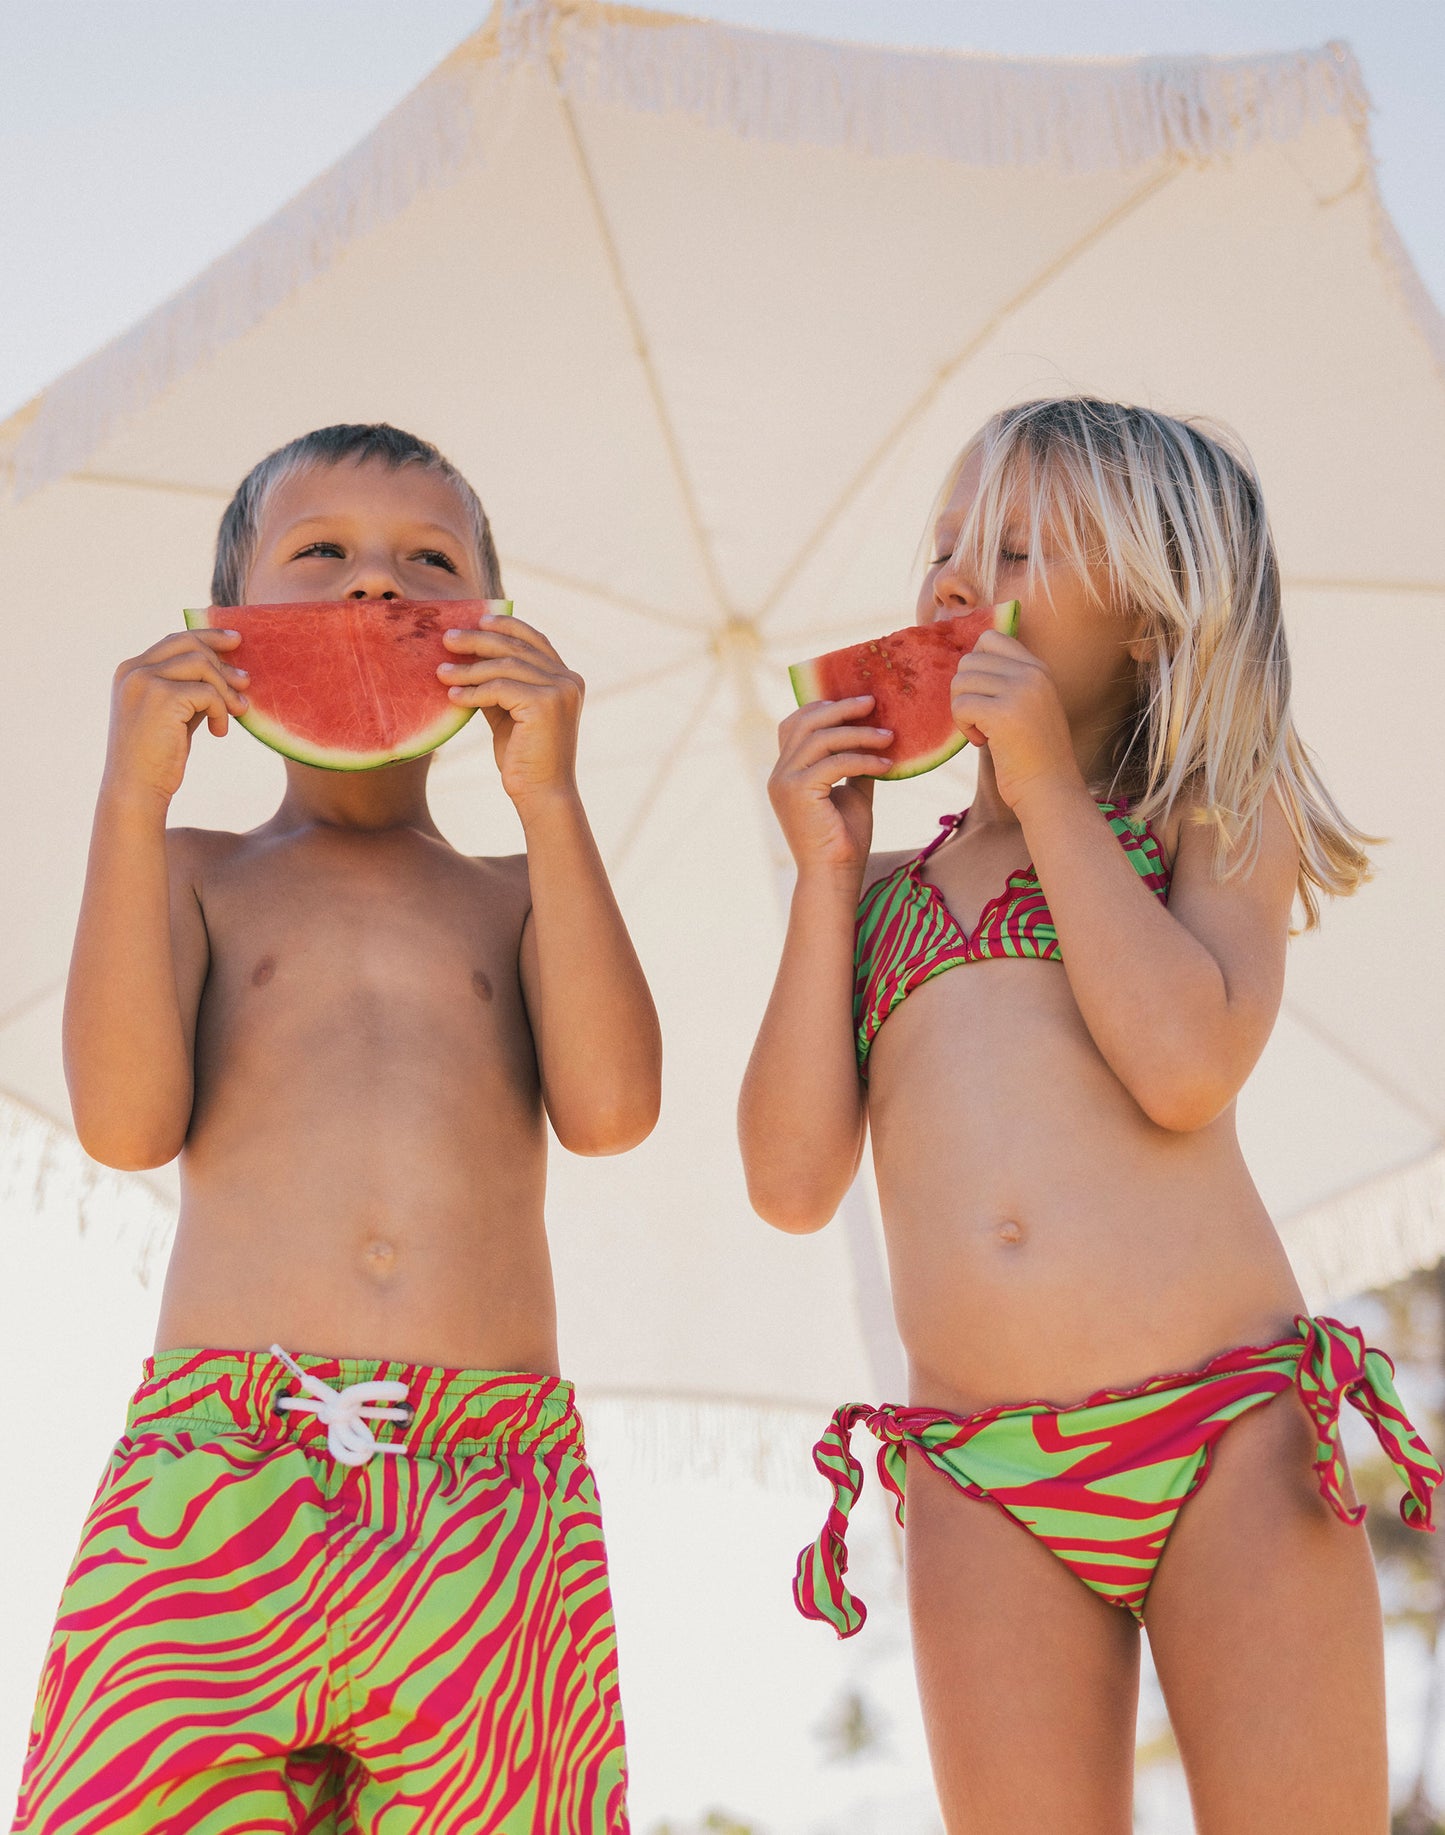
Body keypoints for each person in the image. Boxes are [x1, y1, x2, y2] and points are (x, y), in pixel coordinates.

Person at [739, 398, 1441, 1833]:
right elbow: (790, 1179)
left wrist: (1047, 783)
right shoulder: (886, 901)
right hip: (980, 1474)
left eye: (1012, 546)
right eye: (941, 542)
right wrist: (822, 878)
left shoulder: (1211, 818)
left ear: (1148, 620)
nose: (949, 577)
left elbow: (1184, 1068)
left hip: (1224, 1433)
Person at [16, 423, 659, 1835]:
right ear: (225, 632)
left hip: (492, 1486)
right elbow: (125, 1127)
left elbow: (613, 1111)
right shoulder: (195, 871)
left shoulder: (512, 892)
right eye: (321, 556)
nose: (376, 588)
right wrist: (133, 794)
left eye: (428, 563)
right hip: (217, 1473)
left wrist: (547, 792)